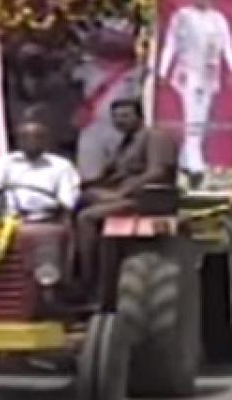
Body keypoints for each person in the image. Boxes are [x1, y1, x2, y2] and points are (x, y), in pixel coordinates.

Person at [76, 99, 179, 275]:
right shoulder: (125, 142)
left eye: (125, 116)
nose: (119, 120)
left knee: (86, 217)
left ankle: (87, 275)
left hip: (144, 199)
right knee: (77, 200)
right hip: (123, 195)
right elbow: (110, 173)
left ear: (139, 116)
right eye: (115, 117)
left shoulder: (155, 137)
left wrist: (122, 193)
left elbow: (157, 172)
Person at [157, 0, 232, 185]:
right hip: (188, 73)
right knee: (192, 117)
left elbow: (227, 44)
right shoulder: (183, 16)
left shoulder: (218, 19)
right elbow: (171, 44)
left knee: (202, 118)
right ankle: (195, 163)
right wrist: (163, 70)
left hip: (209, 74)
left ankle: (188, 159)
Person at [73, 21, 147, 180]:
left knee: (123, 172)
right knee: (89, 172)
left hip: (123, 127)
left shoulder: (139, 71)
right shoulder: (88, 68)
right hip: (92, 126)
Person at [0, 120, 80, 222]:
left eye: (37, 137)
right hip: (8, 219)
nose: (32, 141)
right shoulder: (4, 162)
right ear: (18, 141)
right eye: (25, 137)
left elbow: (67, 200)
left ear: (46, 140)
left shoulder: (62, 165)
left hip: (47, 219)